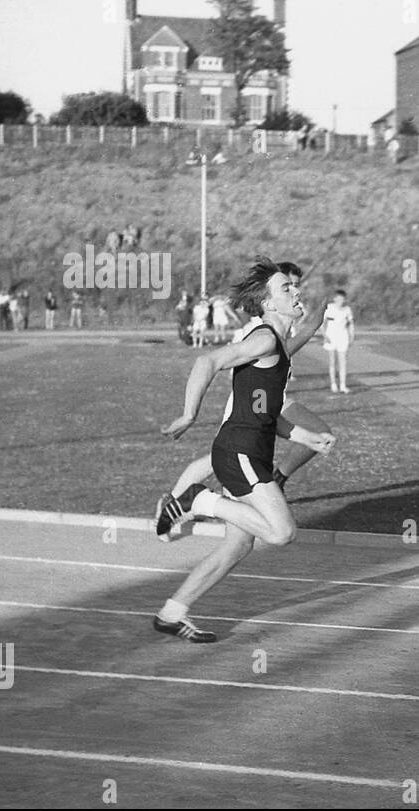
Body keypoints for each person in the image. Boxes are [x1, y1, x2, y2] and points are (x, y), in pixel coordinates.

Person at [153, 256, 335, 642]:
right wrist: (189, 414)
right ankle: (197, 502)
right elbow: (208, 359)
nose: (296, 291)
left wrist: (305, 437)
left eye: (294, 286)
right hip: (239, 452)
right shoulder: (265, 338)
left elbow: (265, 413)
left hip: (249, 451)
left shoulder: (278, 347)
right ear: (268, 303)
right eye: (286, 288)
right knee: (282, 532)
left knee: (235, 548)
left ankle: (172, 613)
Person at [322, 289, 355, 393]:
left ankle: (343, 385)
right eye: (339, 298)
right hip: (331, 337)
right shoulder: (329, 308)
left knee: (343, 362)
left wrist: (352, 336)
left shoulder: (347, 309)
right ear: (335, 298)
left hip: (343, 337)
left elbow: (351, 324)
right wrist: (324, 335)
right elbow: (322, 323)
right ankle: (333, 384)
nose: (341, 301)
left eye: (343, 299)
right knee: (332, 361)